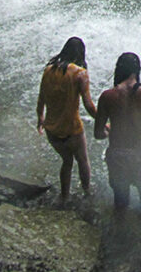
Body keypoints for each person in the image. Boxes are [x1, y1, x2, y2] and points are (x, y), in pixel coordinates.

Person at [95, 52, 141, 215]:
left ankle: (119, 234)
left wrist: (109, 130)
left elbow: (98, 133)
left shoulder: (107, 96)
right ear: (137, 70)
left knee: (121, 204)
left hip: (119, 155)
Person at [36, 37, 97, 204]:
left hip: (52, 130)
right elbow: (89, 106)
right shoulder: (80, 73)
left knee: (67, 161)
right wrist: (103, 121)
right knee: (83, 161)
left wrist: (40, 118)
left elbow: (41, 98)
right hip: (72, 130)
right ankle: (87, 194)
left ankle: (64, 197)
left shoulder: (48, 70)